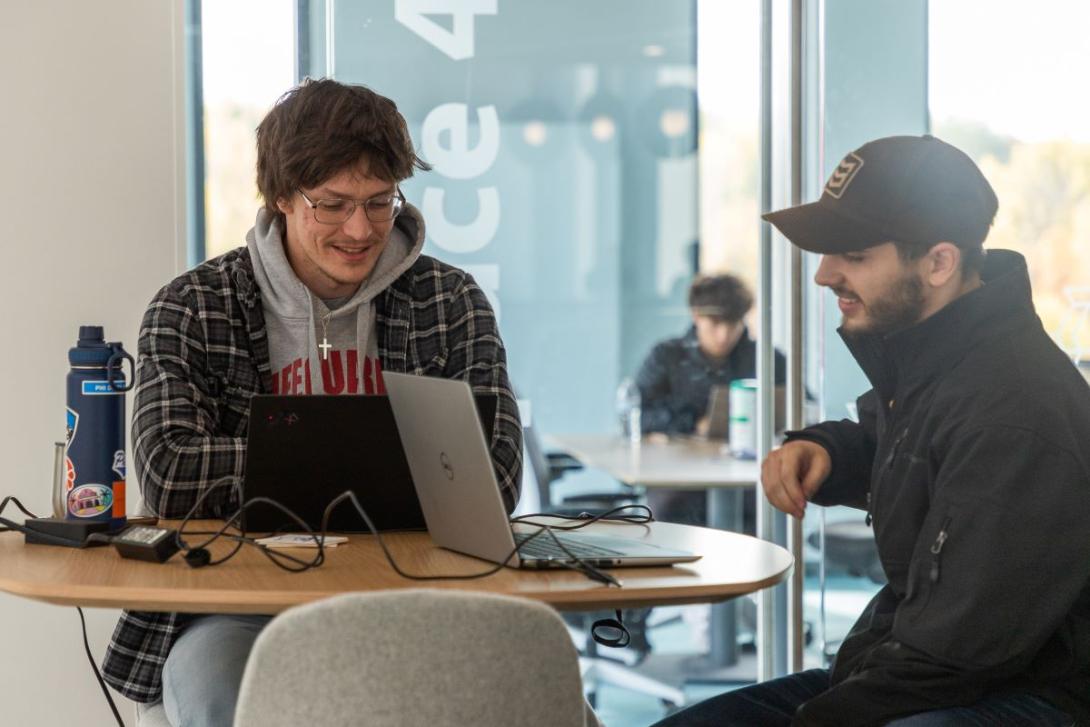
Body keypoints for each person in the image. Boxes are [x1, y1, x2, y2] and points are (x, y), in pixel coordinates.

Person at [100, 79, 523, 726]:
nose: (361, 229)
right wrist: (380, 466)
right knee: (222, 701)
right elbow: (169, 470)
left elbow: (494, 474)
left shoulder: (451, 302)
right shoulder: (192, 304)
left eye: (379, 202)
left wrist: (287, 466)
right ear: (279, 197)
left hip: (421, 599)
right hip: (233, 601)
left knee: (544, 693)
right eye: (332, 205)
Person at [653, 134, 1090, 726]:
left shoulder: (1014, 411)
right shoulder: (942, 357)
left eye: (853, 256)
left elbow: (956, 652)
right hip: (920, 666)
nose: (824, 275)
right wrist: (830, 450)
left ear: (939, 262)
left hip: (1017, 693)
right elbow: (904, 442)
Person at [635, 273, 786, 528]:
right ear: (696, 315)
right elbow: (637, 413)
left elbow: (801, 407)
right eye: (714, 323)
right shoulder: (667, 356)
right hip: (679, 477)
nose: (724, 334)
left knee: (771, 507)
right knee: (669, 511)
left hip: (747, 474)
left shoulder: (765, 358)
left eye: (733, 324)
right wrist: (692, 424)